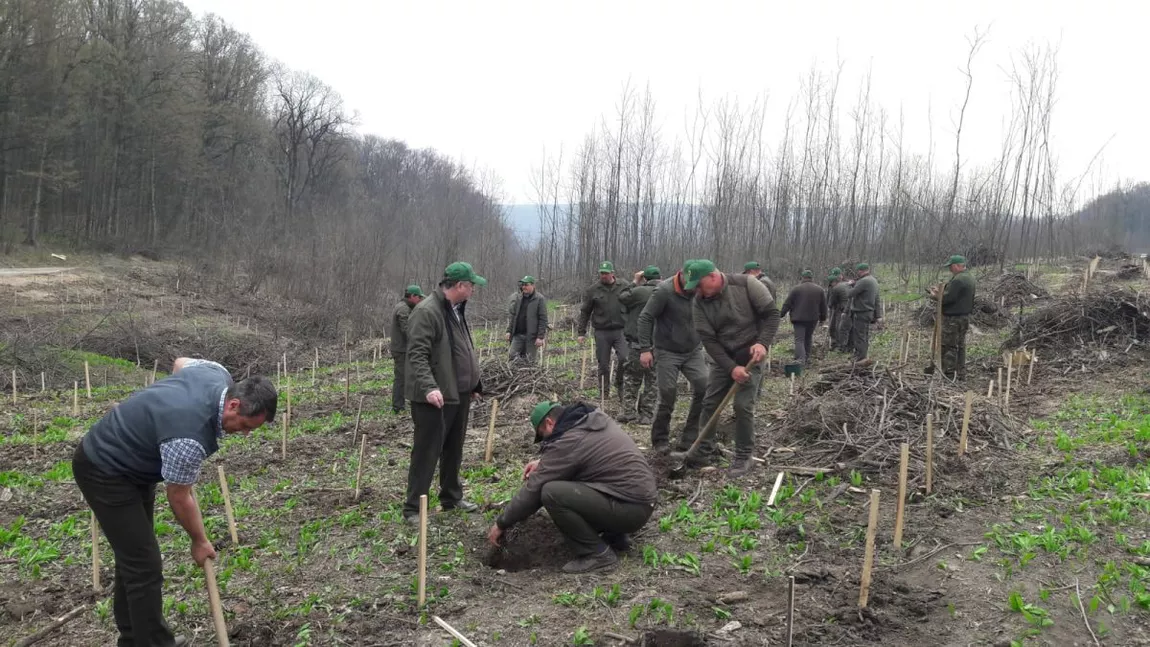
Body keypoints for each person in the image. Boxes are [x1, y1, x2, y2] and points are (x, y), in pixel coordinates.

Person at [74, 359, 276, 647]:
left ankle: (136, 639)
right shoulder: (187, 439)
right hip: (104, 469)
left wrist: (157, 411)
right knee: (144, 564)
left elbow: (180, 363)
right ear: (233, 405)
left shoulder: (215, 373)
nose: (244, 434)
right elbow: (180, 496)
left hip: (134, 464)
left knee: (134, 557)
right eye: (245, 426)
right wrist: (199, 540)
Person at [487, 400, 657, 574]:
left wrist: (502, 523)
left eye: (542, 434)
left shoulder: (570, 440)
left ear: (549, 422)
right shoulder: (588, 422)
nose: (546, 440)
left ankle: (598, 555)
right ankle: (615, 537)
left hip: (629, 509)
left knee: (552, 493)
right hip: (639, 502)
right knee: (579, 482)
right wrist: (545, 462)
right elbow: (586, 459)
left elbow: (534, 489)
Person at [679, 259, 780, 476]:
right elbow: (709, 340)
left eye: (699, 285)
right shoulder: (699, 302)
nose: (696, 291)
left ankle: (744, 455)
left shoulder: (747, 285)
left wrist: (762, 342)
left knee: (743, 406)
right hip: (722, 357)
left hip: (751, 353)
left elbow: (772, 315)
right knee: (710, 403)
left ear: (713, 277)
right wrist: (731, 368)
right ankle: (702, 452)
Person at [403, 262, 486, 524]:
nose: (473, 289)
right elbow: (417, 354)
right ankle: (414, 508)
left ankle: (451, 496)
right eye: (471, 285)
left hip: (457, 394)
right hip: (434, 397)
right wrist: (429, 387)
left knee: (454, 449)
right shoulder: (427, 311)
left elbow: (459, 349)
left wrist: (472, 384)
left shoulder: (455, 310)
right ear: (460, 286)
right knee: (427, 451)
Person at [636, 263, 710, 453]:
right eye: (691, 283)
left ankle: (690, 438)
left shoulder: (702, 290)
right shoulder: (663, 291)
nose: (693, 288)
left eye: (697, 284)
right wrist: (645, 349)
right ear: (682, 275)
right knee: (668, 393)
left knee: (704, 387)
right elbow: (645, 317)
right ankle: (660, 440)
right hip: (667, 350)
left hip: (693, 350)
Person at [577, 261, 630, 402]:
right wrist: (581, 332)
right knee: (603, 364)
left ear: (613, 273)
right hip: (602, 331)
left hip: (621, 330)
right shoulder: (593, 290)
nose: (603, 276)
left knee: (625, 359)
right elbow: (585, 311)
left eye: (606, 273)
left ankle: (620, 385)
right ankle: (603, 393)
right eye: (601, 273)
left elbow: (633, 302)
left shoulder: (624, 286)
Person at [617, 266, 661, 424]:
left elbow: (622, 297)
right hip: (659, 344)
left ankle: (629, 413)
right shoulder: (665, 291)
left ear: (645, 279)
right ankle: (647, 415)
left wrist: (634, 282)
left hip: (637, 343)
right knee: (653, 380)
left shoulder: (638, 292)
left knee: (632, 378)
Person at [930, 255, 976, 380]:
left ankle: (949, 375)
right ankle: (960, 373)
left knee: (949, 346)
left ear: (956, 266)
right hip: (964, 317)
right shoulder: (969, 277)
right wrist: (942, 290)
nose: (950, 269)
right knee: (960, 345)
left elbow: (947, 299)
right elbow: (956, 294)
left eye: (950, 267)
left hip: (953, 319)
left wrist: (935, 295)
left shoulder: (958, 280)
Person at [779, 270, 827, 365]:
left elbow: (787, 303)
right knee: (808, 338)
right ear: (811, 278)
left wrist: (781, 314)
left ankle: (800, 360)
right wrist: (823, 318)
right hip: (813, 319)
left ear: (802, 278)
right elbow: (823, 306)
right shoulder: (819, 289)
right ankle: (807, 358)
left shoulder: (796, 289)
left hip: (799, 319)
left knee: (799, 340)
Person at [390, 285, 424, 414]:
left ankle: (400, 405)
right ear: (413, 296)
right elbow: (408, 330)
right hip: (401, 350)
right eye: (419, 297)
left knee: (404, 377)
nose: (420, 300)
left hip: (401, 349)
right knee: (401, 378)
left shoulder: (402, 306)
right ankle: (398, 407)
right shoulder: (403, 309)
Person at [505, 275, 548, 364]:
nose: (524, 287)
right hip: (517, 335)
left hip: (531, 337)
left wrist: (540, 337)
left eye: (526, 285)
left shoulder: (539, 299)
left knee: (530, 362)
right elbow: (514, 316)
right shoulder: (518, 298)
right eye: (523, 285)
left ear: (533, 285)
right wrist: (509, 331)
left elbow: (543, 319)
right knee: (512, 357)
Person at [846, 263, 883, 363]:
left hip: (861, 312)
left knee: (859, 336)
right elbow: (877, 299)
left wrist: (850, 285)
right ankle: (861, 355)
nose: (857, 273)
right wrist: (878, 315)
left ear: (861, 271)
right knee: (864, 335)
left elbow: (850, 294)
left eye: (858, 271)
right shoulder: (873, 280)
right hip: (869, 312)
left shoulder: (863, 281)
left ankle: (860, 358)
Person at [827, 274, 851, 352]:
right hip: (851, 308)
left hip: (842, 309)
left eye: (831, 283)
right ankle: (849, 345)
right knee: (848, 328)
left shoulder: (836, 288)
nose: (830, 284)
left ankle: (842, 346)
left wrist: (830, 305)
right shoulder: (846, 284)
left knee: (840, 328)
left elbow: (831, 302)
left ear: (834, 282)